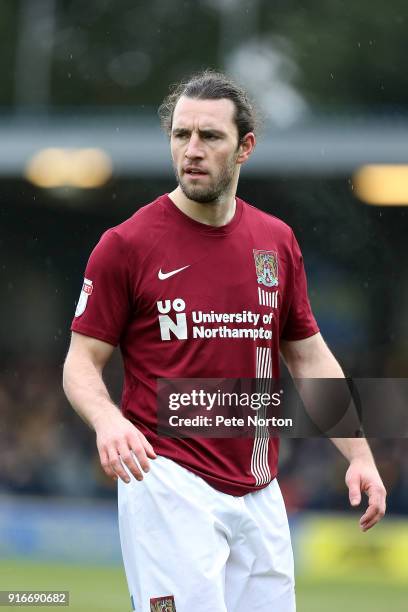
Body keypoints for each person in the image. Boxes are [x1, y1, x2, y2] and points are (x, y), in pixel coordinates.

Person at [63, 70, 386, 612]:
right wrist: (109, 420)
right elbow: (80, 363)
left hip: (261, 489)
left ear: (245, 148)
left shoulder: (276, 242)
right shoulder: (126, 245)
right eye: (180, 135)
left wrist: (359, 455)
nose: (191, 149)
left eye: (209, 136)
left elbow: (307, 355)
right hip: (167, 481)